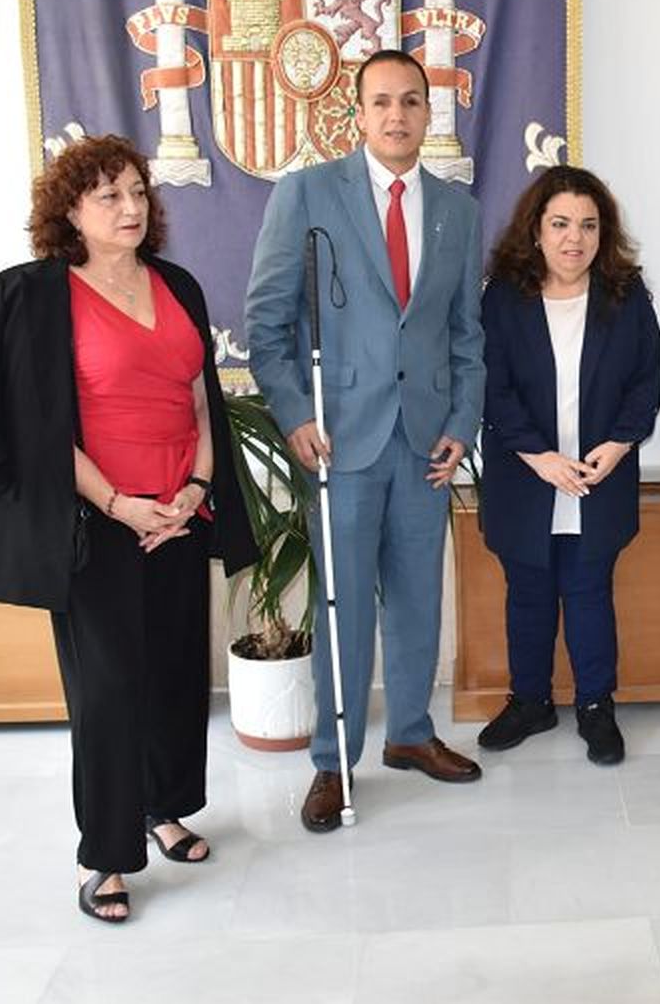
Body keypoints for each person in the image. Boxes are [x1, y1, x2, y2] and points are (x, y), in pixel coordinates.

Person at [0, 135, 257, 923]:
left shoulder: (177, 284)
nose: (131, 208)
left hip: (180, 511)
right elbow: (37, 426)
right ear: (69, 211)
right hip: (96, 520)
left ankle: (165, 809)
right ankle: (105, 854)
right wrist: (120, 503)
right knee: (107, 691)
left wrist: (196, 489)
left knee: (173, 674)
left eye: (137, 192)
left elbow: (200, 398)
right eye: (109, 196)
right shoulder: (38, 296)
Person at [245, 50, 486, 832]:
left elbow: (466, 335)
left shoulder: (457, 211)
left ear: (429, 112)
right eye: (381, 101)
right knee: (342, 605)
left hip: (425, 443)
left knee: (418, 601)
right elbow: (267, 323)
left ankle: (410, 733)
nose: (397, 115)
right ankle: (333, 759)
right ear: (357, 112)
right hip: (338, 440)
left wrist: (462, 423)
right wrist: (293, 414)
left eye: (411, 101)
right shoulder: (308, 193)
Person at [475, 165, 660, 766]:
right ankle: (529, 702)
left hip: (597, 476)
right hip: (525, 475)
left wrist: (621, 443)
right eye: (560, 224)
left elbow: (645, 381)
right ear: (536, 230)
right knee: (527, 593)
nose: (573, 238)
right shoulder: (503, 298)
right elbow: (492, 387)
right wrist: (539, 455)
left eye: (588, 225)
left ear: (603, 233)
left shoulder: (625, 297)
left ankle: (595, 706)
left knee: (589, 592)